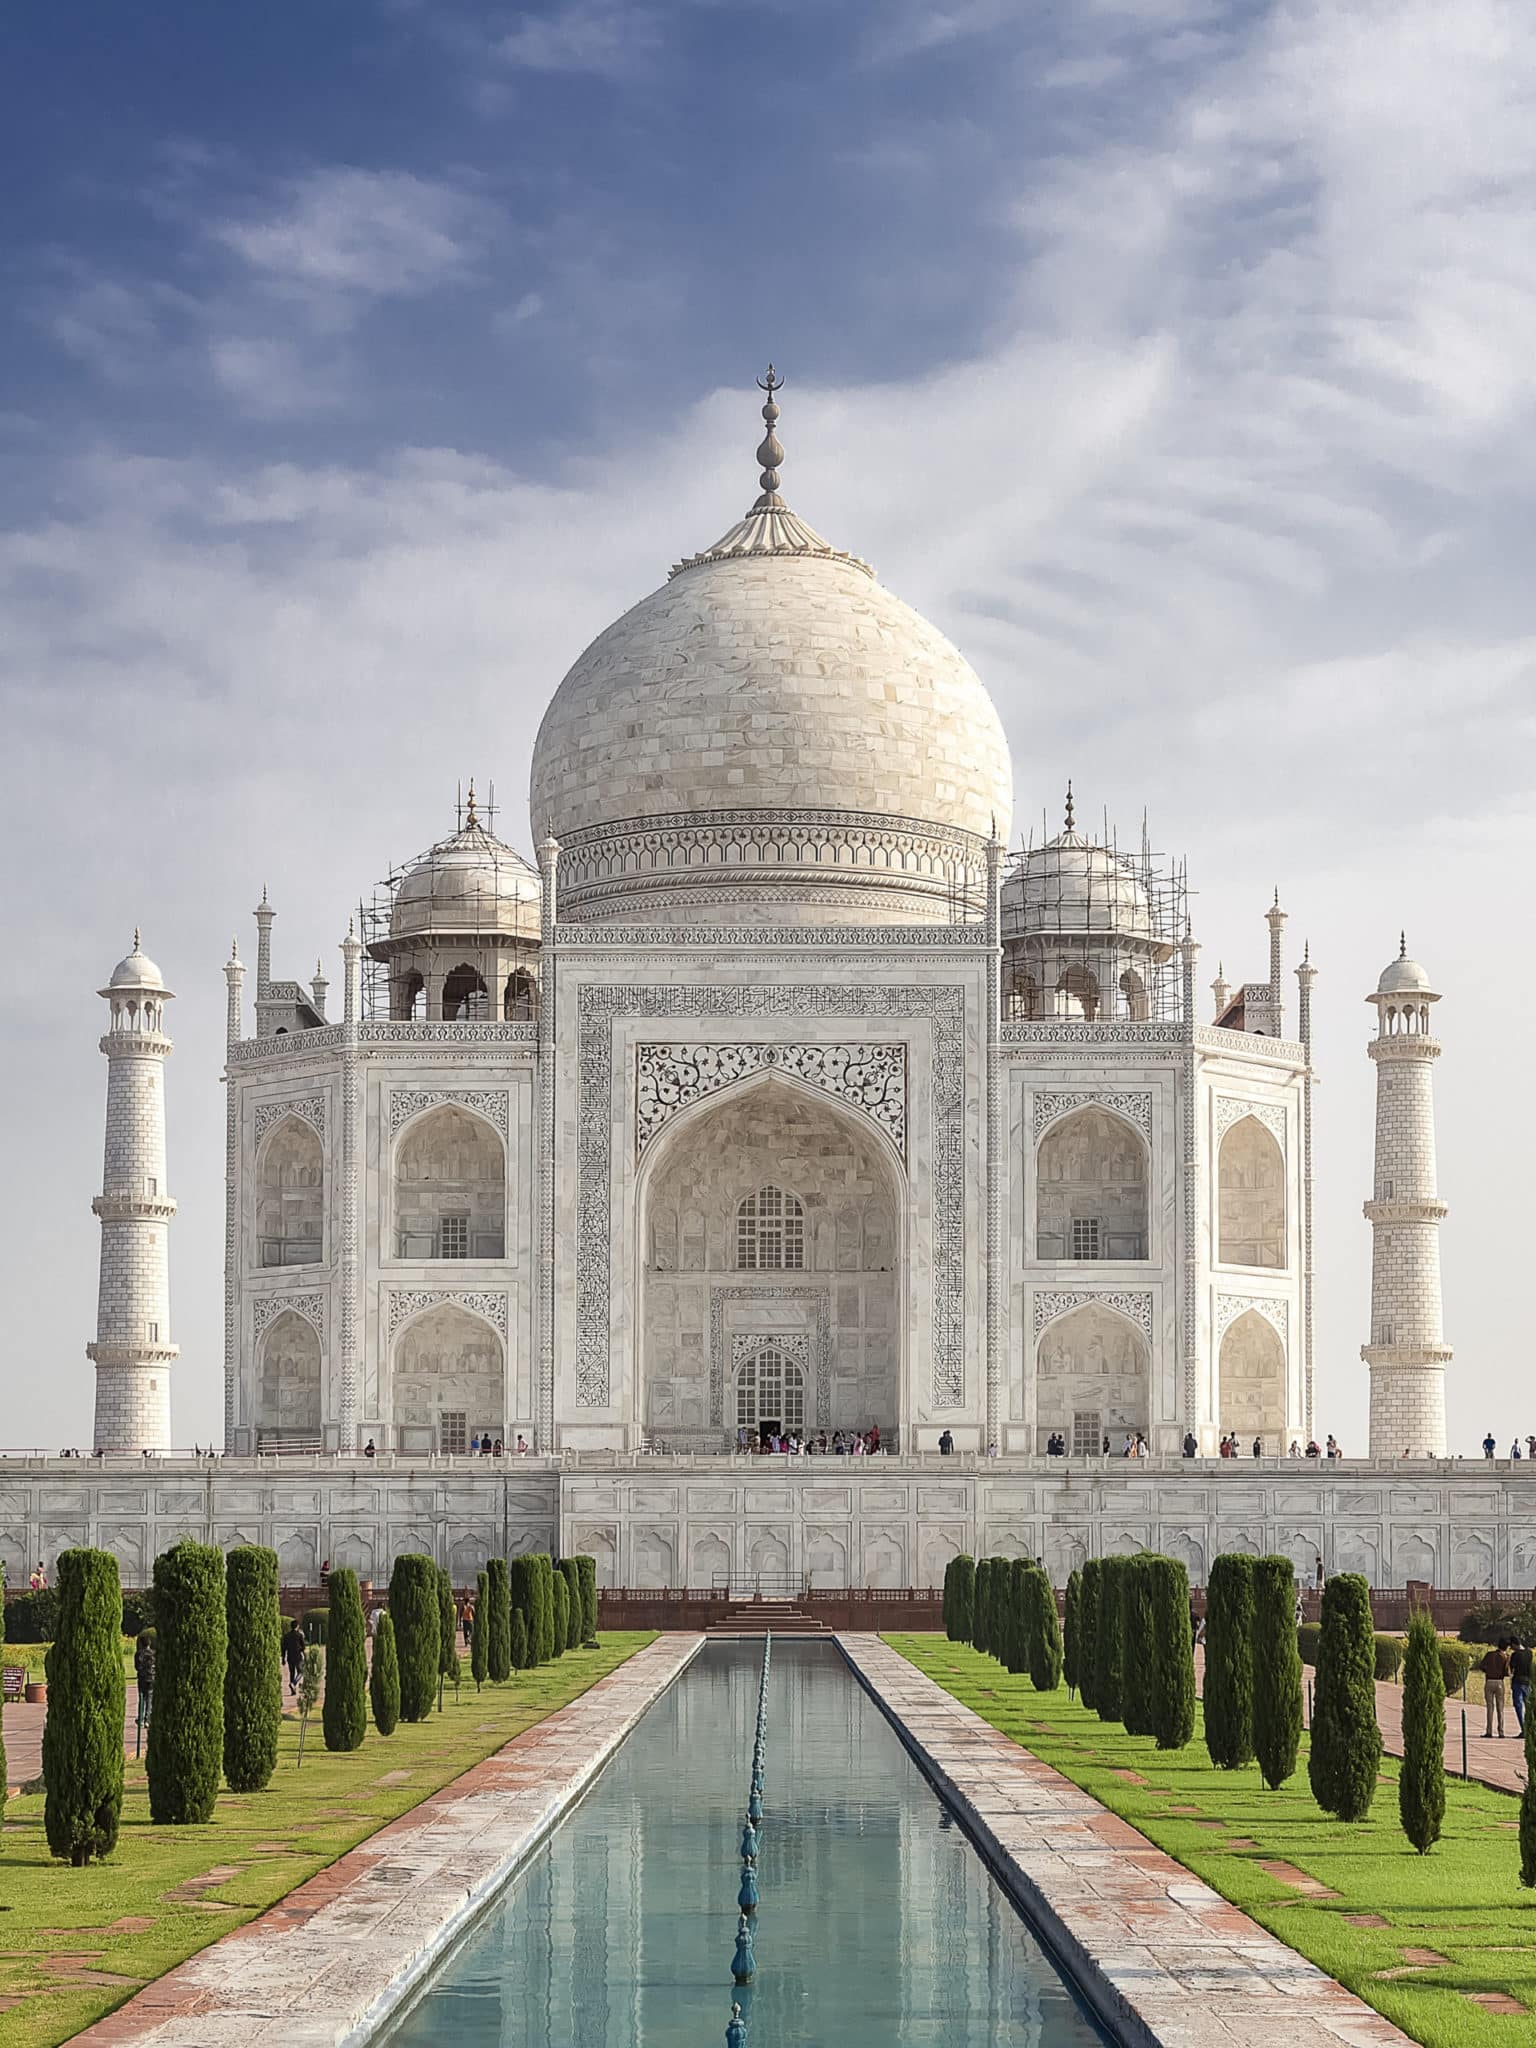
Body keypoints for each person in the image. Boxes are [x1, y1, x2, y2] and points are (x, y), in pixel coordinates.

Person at [1481, 1639, 1512, 1737]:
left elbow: (1481, 1666)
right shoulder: (1505, 1657)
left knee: (1490, 1707)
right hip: (1499, 1682)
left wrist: (1488, 1671)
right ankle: (1501, 1731)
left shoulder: (1489, 1654)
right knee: (1500, 1708)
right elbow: (1507, 1672)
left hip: (1489, 1681)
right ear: (1506, 1647)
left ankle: (1489, 1731)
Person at [1511, 1636, 1532, 1734]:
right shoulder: (1529, 1653)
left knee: (1518, 1705)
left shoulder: (1515, 1655)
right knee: (1528, 1705)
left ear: (1515, 1644)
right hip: (1527, 1682)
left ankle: (1524, 1728)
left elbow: (1511, 1668)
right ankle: (1529, 1728)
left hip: (1517, 1682)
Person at [133, 1628, 156, 1715]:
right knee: (150, 1697)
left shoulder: (138, 1654)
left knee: (142, 1697)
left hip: (142, 1677)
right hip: (151, 1677)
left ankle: (141, 1717)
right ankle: (147, 1717)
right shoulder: (153, 1653)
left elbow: (136, 1666)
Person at [283, 1618, 306, 1696]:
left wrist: (283, 1658)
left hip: (290, 1656)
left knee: (292, 1673)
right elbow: (303, 1646)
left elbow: (284, 1648)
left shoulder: (286, 1636)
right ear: (297, 1626)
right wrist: (301, 1651)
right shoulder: (299, 1635)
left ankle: (293, 1690)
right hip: (298, 1656)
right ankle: (293, 1683)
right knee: (300, 1672)